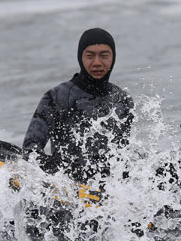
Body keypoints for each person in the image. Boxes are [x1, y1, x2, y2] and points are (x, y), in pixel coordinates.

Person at [23, 28, 134, 182]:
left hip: (110, 194)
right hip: (67, 191)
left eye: (104, 56)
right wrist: (53, 170)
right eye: (89, 56)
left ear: (113, 58)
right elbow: (31, 149)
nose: (97, 63)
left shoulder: (122, 99)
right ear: (80, 57)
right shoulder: (57, 97)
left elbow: (123, 154)